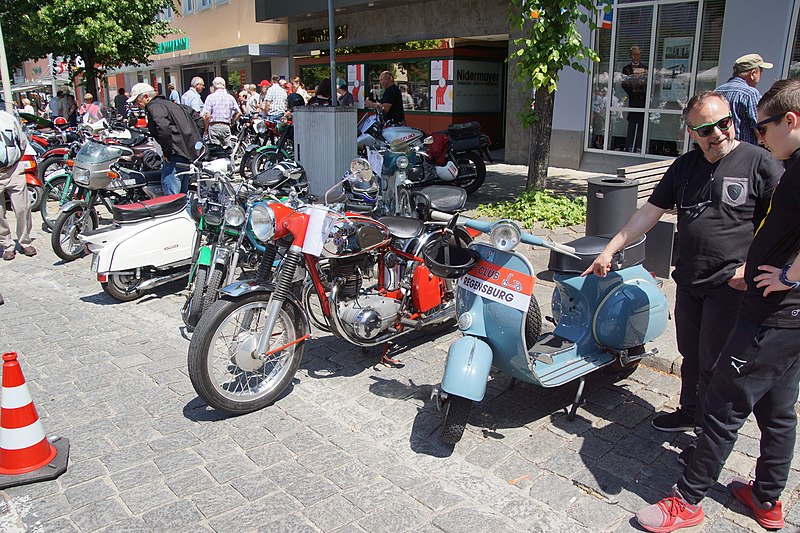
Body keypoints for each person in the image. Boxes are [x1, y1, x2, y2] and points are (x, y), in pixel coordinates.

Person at [634, 78, 800, 533]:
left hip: (769, 308)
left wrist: (785, 274)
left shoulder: (769, 163)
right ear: (691, 132)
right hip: (769, 305)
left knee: (726, 396)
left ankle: (687, 501)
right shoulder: (695, 166)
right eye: (707, 128)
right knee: (778, 409)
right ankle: (767, 498)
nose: (754, 133)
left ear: (790, 121)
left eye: (757, 124)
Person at [583, 91, 782, 452]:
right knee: (691, 353)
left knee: (715, 363)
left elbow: (782, 223)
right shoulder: (684, 167)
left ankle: (709, 437)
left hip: (731, 286)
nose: (718, 133)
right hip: (690, 280)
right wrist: (610, 248)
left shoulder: (759, 162)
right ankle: (690, 412)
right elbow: (649, 213)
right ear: (691, 133)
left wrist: (751, 267)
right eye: (706, 129)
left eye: (724, 123)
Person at [129, 82, 202, 196]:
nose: (137, 105)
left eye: (137, 101)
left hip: (175, 155)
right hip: (187, 154)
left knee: (172, 198)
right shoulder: (172, 104)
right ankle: (186, 213)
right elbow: (199, 120)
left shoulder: (154, 106)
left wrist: (167, 152)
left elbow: (163, 128)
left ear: (146, 97)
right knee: (183, 196)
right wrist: (191, 140)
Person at [715, 53, 773, 146]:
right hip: (744, 152)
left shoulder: (716, 92)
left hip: (721, 149)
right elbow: (759, 125)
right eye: (760, 72)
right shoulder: (750, 94)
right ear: (753, 73)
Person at [0, 110, 35, 261]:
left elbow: (22, 142)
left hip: (13, 169)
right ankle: (7, 245)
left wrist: (14, 162)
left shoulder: (7, 118)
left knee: (23, 208)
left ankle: (24, 241)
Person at [621, 45, 648, 152]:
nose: (636, 57)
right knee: (631, 124)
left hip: (641, 100)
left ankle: (638, 147)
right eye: (634, 54)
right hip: (632, 99)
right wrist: (631, 90)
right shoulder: (626, 69)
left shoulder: (645, 68)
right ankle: (628, 146)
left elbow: (647, 83)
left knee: (641, 125)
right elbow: (623, 83)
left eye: (637, 54)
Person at [203, 77, 241, 149]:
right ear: (224, 85)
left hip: (214, 126)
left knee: (215, 150)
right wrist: (232, 121)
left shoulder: (210, 97)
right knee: (227, 149)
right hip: (226, 125)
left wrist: (205, 129)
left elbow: (207, 116)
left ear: (214, 86)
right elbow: (239, 112)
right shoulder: (230, 98)